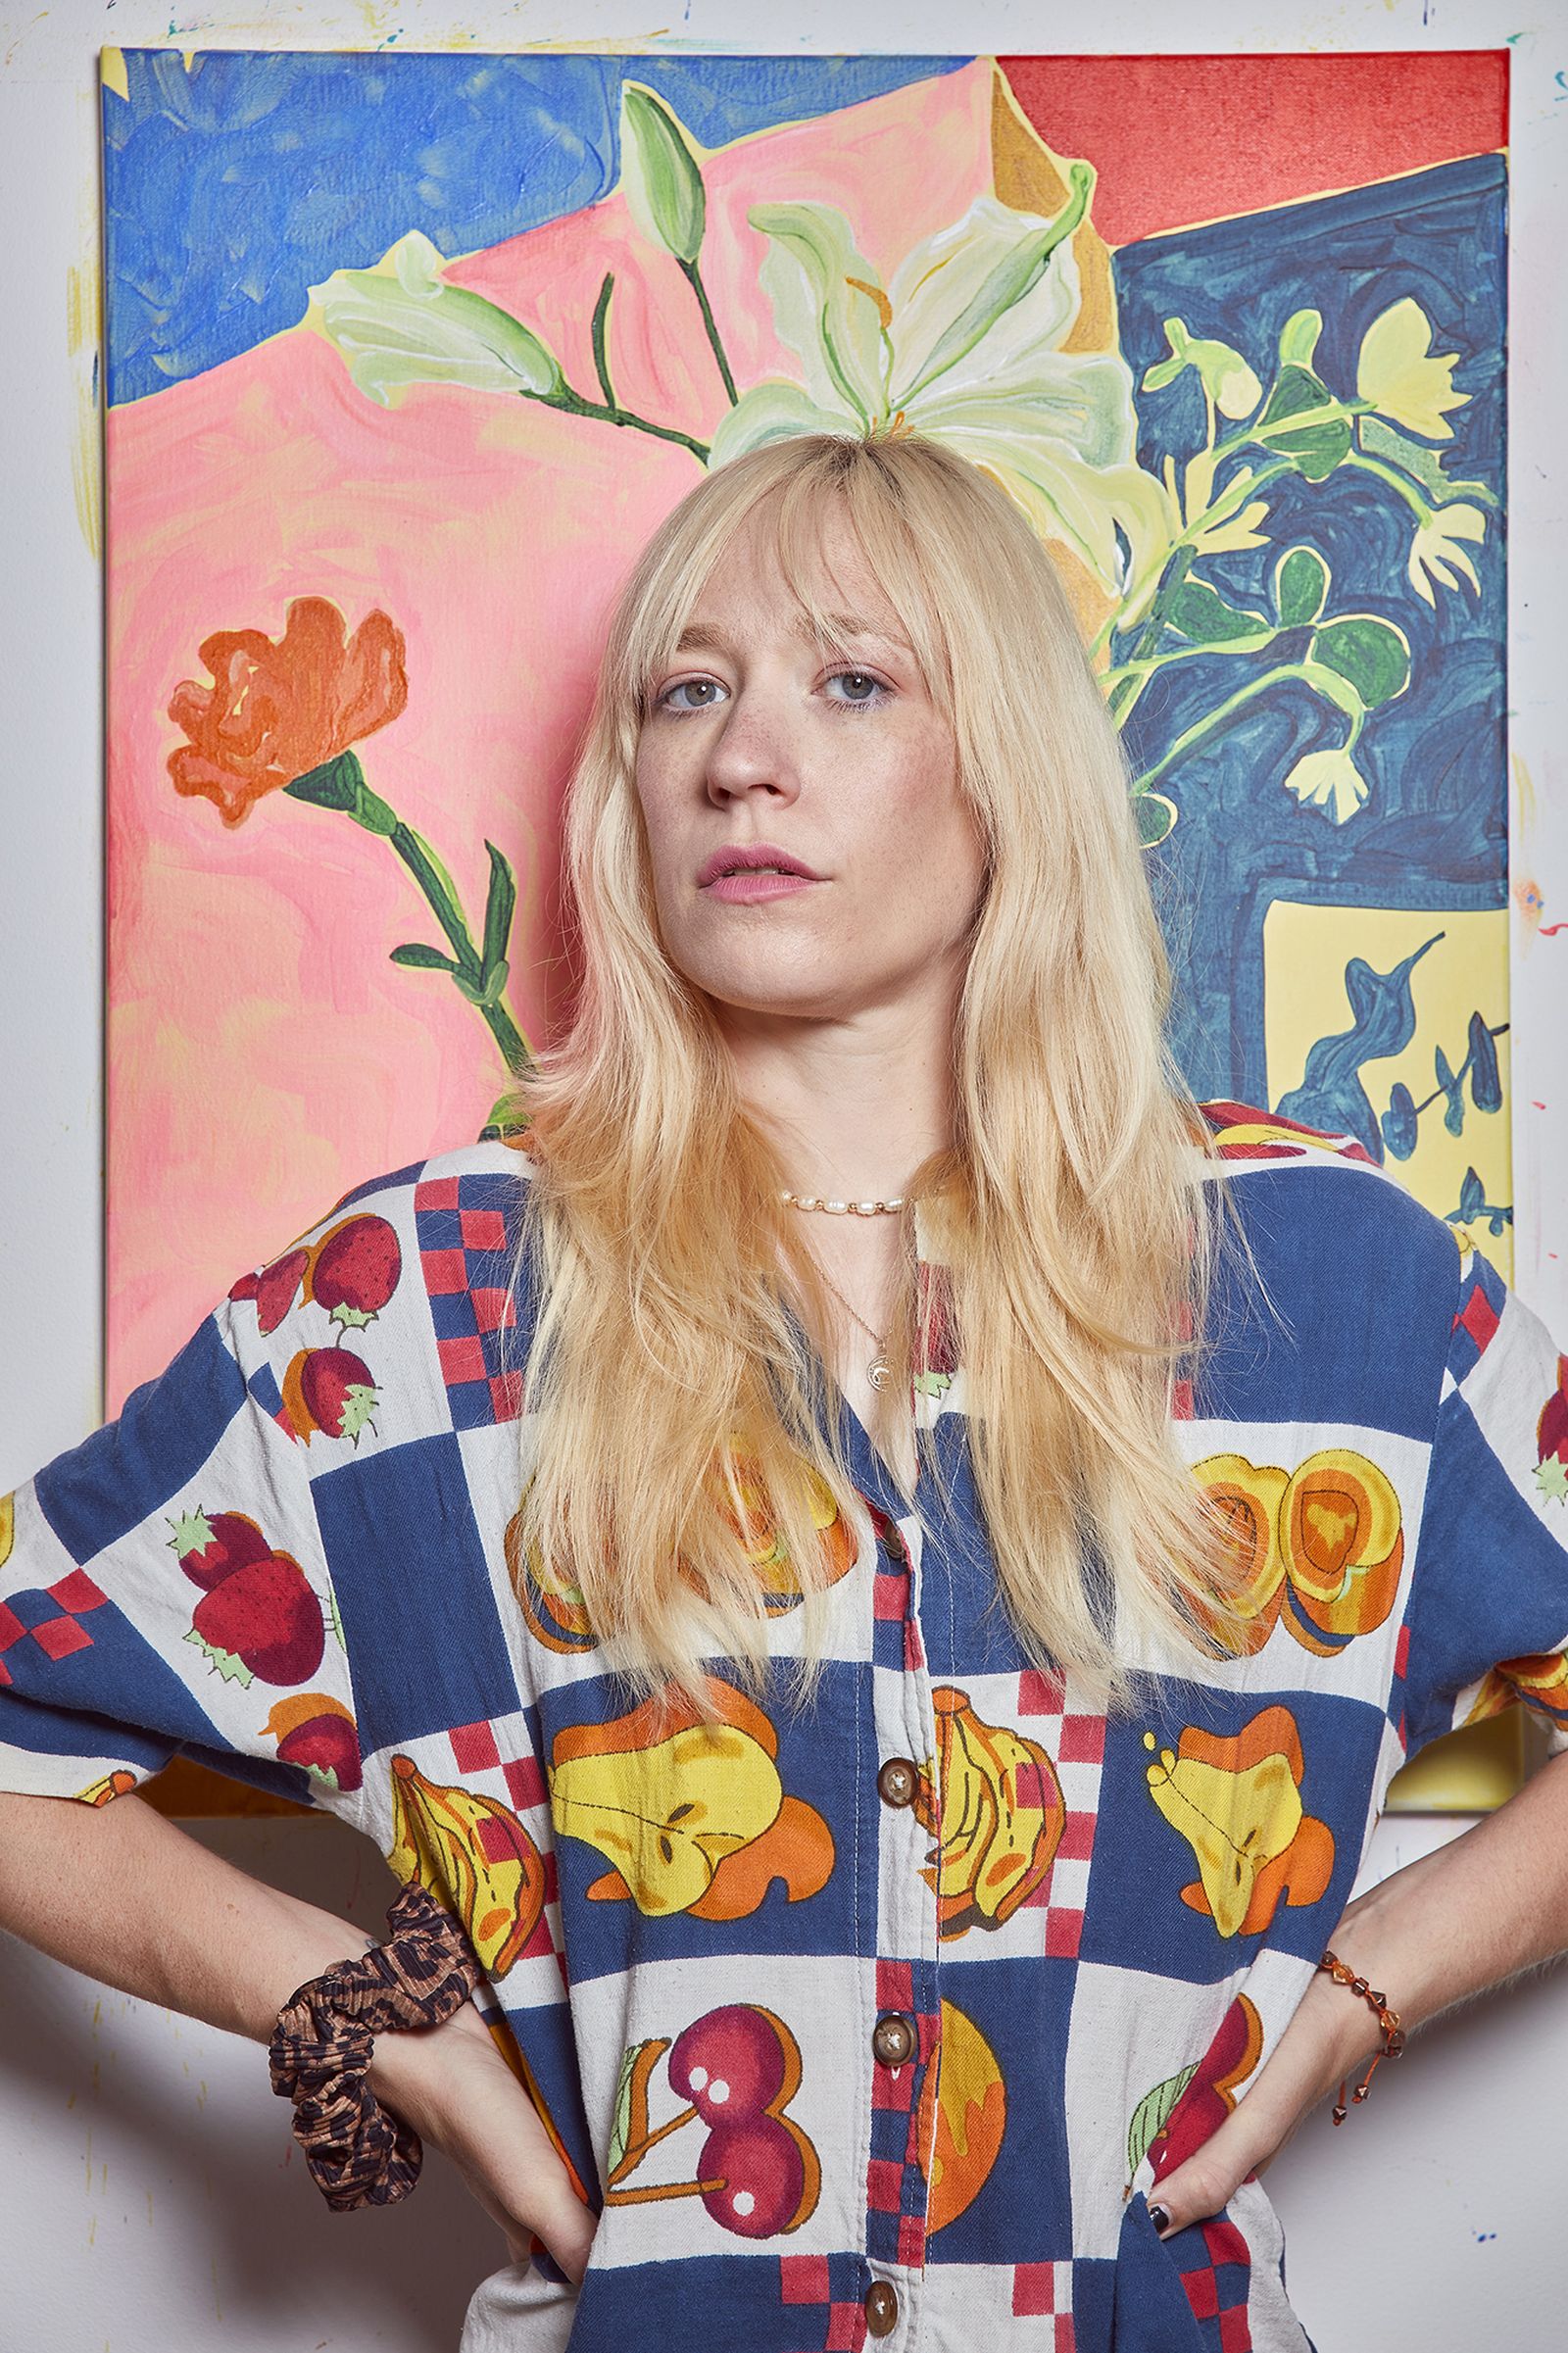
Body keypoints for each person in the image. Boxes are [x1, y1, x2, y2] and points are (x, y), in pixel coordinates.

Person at [2, 426, 1566, 2353]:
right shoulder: (409, 1308)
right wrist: (376, 2020)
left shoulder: (1337, 1286)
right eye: (686, 690)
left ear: (1000, 767)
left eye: (848, 678)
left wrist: (1374, 1974)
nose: (742, 752)